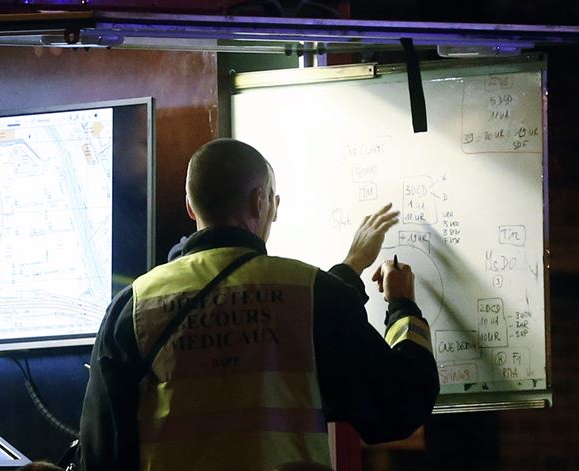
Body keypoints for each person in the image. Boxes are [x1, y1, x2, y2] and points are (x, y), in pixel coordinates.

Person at [78, 138, 439, 470]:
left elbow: (101, 457)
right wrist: (402, 308)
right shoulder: (310, 292)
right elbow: (398, 406)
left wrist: (351, 265)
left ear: (190, 206)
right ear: (259, 200)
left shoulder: (134, 308)